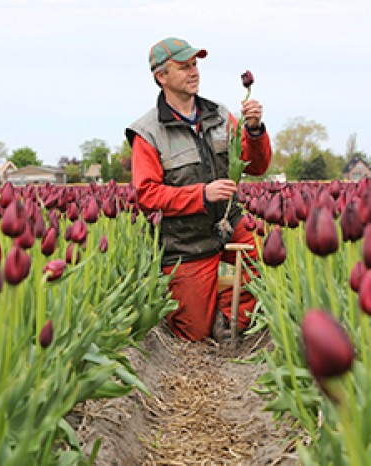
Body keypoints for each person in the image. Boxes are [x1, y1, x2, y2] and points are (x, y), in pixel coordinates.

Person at [125, 37, 272, 342]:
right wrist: (201, 194)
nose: (194, 72)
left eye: (195, 65)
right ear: (161, 76)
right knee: (193, 331)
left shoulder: (219, 115)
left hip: (229, 222)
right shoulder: (148, 132)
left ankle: (232, 318)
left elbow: (255, 166)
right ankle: (208, 309)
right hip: (185, 238)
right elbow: (147, 197)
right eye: (183, 67)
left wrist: (254, 130)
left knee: (270, 261)